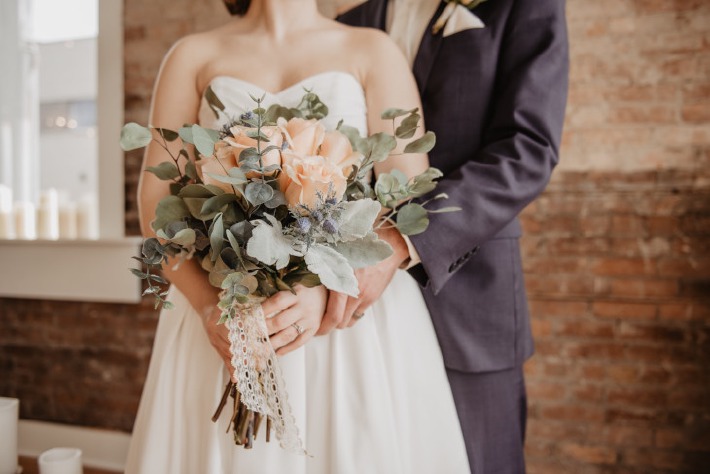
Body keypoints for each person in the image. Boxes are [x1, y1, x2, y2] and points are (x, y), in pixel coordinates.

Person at [124, 0, 470, 472]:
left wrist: (321, 287)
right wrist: (211, 307)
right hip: (228, 308)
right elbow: (155, 204)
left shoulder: (372, 50)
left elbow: (406, 198)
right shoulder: (192, 55)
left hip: (346, 323)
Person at [331, 1, 569, 472]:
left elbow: (528, 148)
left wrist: (402, 239)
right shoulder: (350, 22)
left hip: (469, 299)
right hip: (355, 321)